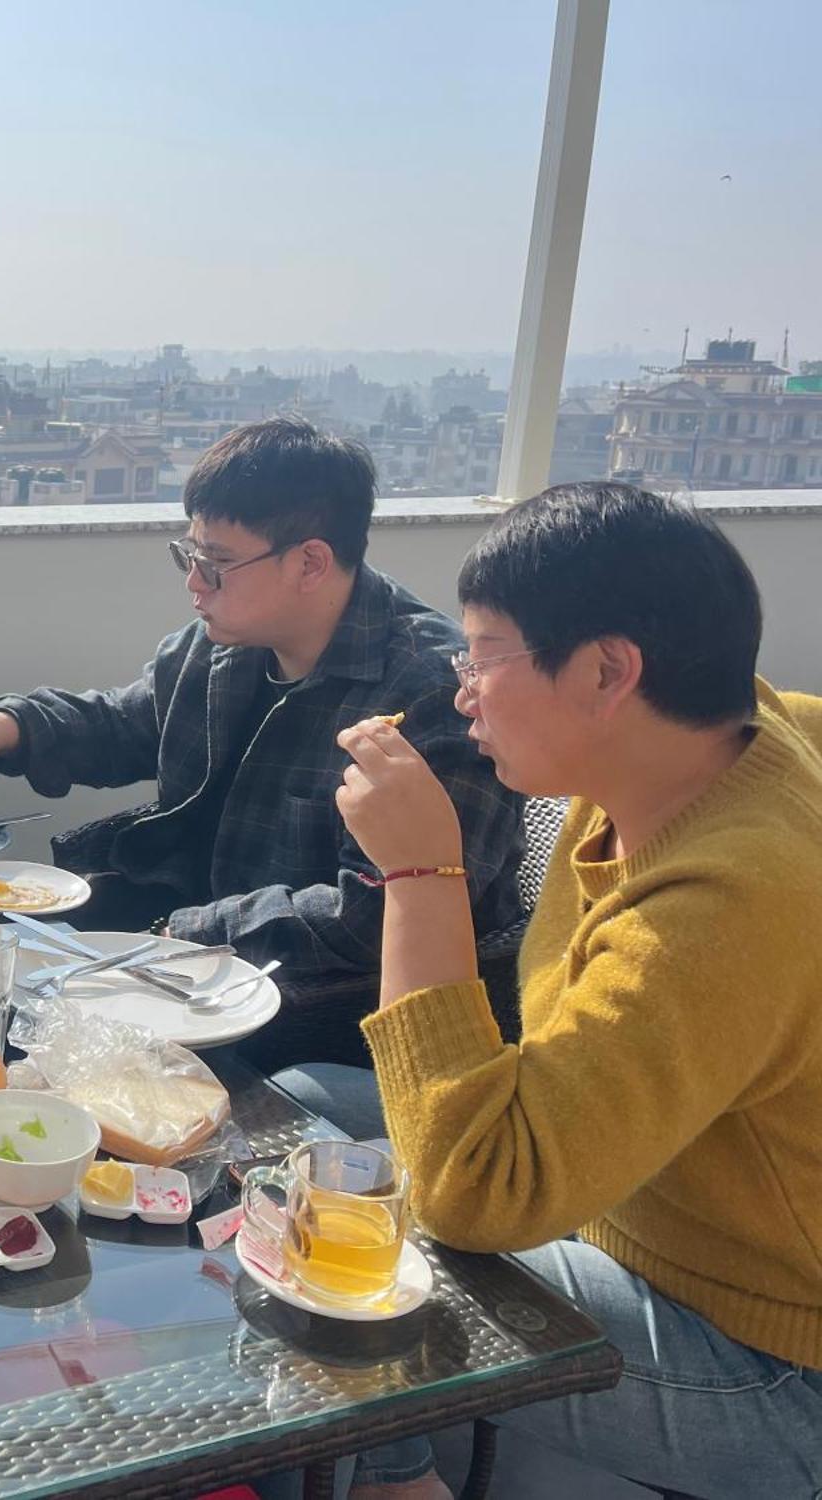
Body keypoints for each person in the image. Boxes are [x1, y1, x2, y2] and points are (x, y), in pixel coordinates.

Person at [278, 482, 822, 1498]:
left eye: (483, 655)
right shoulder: (721, 738)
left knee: (325, 1258)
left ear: (609, 671)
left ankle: (398, 1483)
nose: (460, 690)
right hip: (620, 1186)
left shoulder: (722, 901)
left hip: (768, 1359)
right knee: (304, 1107)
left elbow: (470, 1190)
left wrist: (419, 876)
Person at [0, 418, 523, 1046]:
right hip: (189, 952)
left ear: (311, 562)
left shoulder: (432, 696)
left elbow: (379, 909)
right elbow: (131, 722)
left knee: (19, 1029)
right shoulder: (223, 646)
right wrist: (9, 727)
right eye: (190, 556)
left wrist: (191, 932)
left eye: (218, 564)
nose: (193, 583)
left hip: (318, 999)